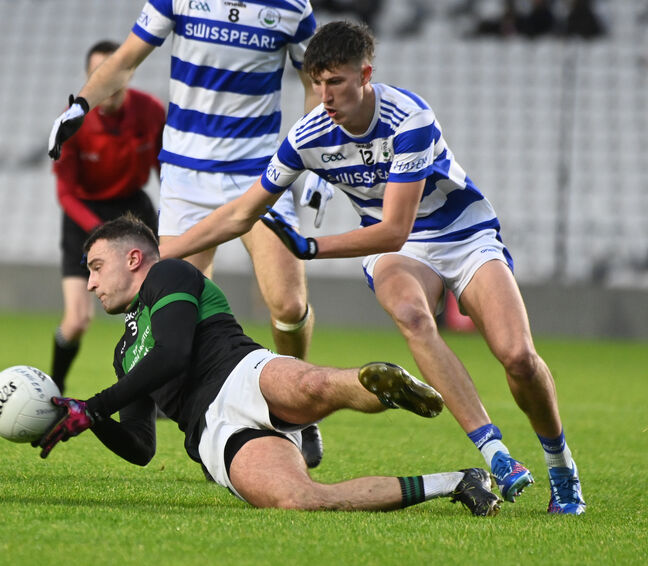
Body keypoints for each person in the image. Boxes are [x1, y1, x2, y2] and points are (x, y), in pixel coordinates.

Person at [159, 21, 586, 515]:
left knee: (517, 357)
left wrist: (312, 247)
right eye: (317, 83)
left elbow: (395, 227)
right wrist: (161, 256)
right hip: (397, 252)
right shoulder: (307, 135)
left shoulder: (410, 119)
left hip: (461, 235)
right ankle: (497, 454)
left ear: (365, 74)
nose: (325, 96)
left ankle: (561, 467)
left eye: (336, 82)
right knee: (411, 314)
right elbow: (239, 213)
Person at [33, 215, 502, 516]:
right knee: (299, 500)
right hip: (214, 436)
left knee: (315, 386)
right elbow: (140, 448)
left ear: (133, 258)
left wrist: (93, 407)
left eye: (95, 267)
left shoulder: (168, 274)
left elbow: (174, 352)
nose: (90, 283)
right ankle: (458, 481)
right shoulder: (122, 355)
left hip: (241, 373)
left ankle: (378, 384)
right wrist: (90, 419)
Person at [47, 1, 325, 466]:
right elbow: (125, 60)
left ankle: (303, 412)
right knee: (166, 310)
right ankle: (208, 417)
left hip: (258, 175)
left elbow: (313, 84)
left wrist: (313, 162)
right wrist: (81, 104)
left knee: (290, 306)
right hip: (185, 180)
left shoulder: (293, 8)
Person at [50, 40, 165, 394]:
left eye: (112, 72)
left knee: (154, 307)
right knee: (78, 319)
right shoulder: (73, 123)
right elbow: (65, 194)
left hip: (134, 212)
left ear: (126, 72)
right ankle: (54, 387)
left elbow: (167, 170)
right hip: (85, 217)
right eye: (97, 75)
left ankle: (157, 390)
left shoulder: (151, 111)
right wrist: (100, 235)